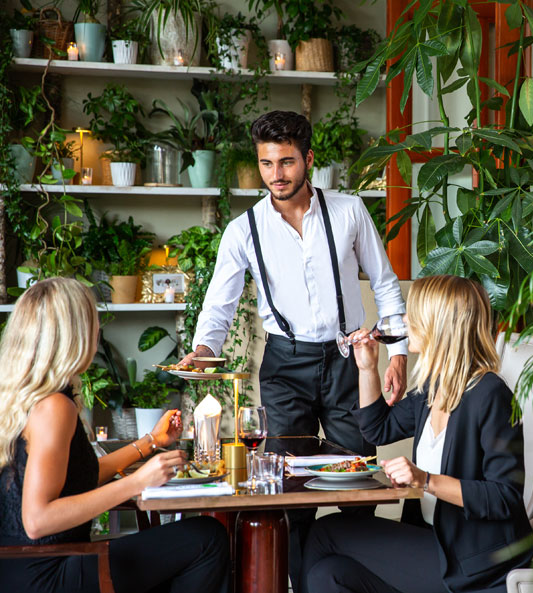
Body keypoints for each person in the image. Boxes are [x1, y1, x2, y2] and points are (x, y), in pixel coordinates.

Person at [178, 110, 409, 583]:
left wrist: (398, 351)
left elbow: (385, 285)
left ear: (307, 159)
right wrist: (204, 348)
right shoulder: (244, 230)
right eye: (266, 164)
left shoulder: (349, 211)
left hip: (349, 361)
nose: (275, 175)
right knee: (289, 491)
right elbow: (217, 306)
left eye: (285, 162)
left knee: (357, 481)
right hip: (284, 366)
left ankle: (347, 580)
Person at [302, 275, 533, 593]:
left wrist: (425, 480)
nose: (406, 321)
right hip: (432, 540)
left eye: (414, 314)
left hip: (477, 561)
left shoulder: (490, 394)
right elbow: (377, 428)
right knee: (328, 575)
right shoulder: (432, 388)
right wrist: (368, 368)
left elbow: (504, 498)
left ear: (438, 325)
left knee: (324, 533)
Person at [0, 277, 229, 593]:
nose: (97, 331)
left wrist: (150, 442)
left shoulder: (29, 397)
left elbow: (80, 477)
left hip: (22, 569)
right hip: (48, 573)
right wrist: (137, 483)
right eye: (92, 321)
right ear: (74, 334)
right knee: (207, 539)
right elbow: (37, 520)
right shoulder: (54, 407)